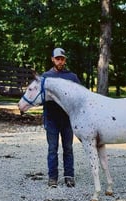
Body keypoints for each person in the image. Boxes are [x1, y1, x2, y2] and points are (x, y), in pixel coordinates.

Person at [41, 47, 81, 188]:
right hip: (51, 119)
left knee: (68, 148)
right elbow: (41, 97)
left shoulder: (72, 77)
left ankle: (69, 176)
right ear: (52, 59)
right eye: (57, 58)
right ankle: (53, 177)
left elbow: (80, 97)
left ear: (65, 60)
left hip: (68, 120)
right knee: (52, 149)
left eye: (62, 58)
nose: (60, 61)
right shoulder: (45, 77)